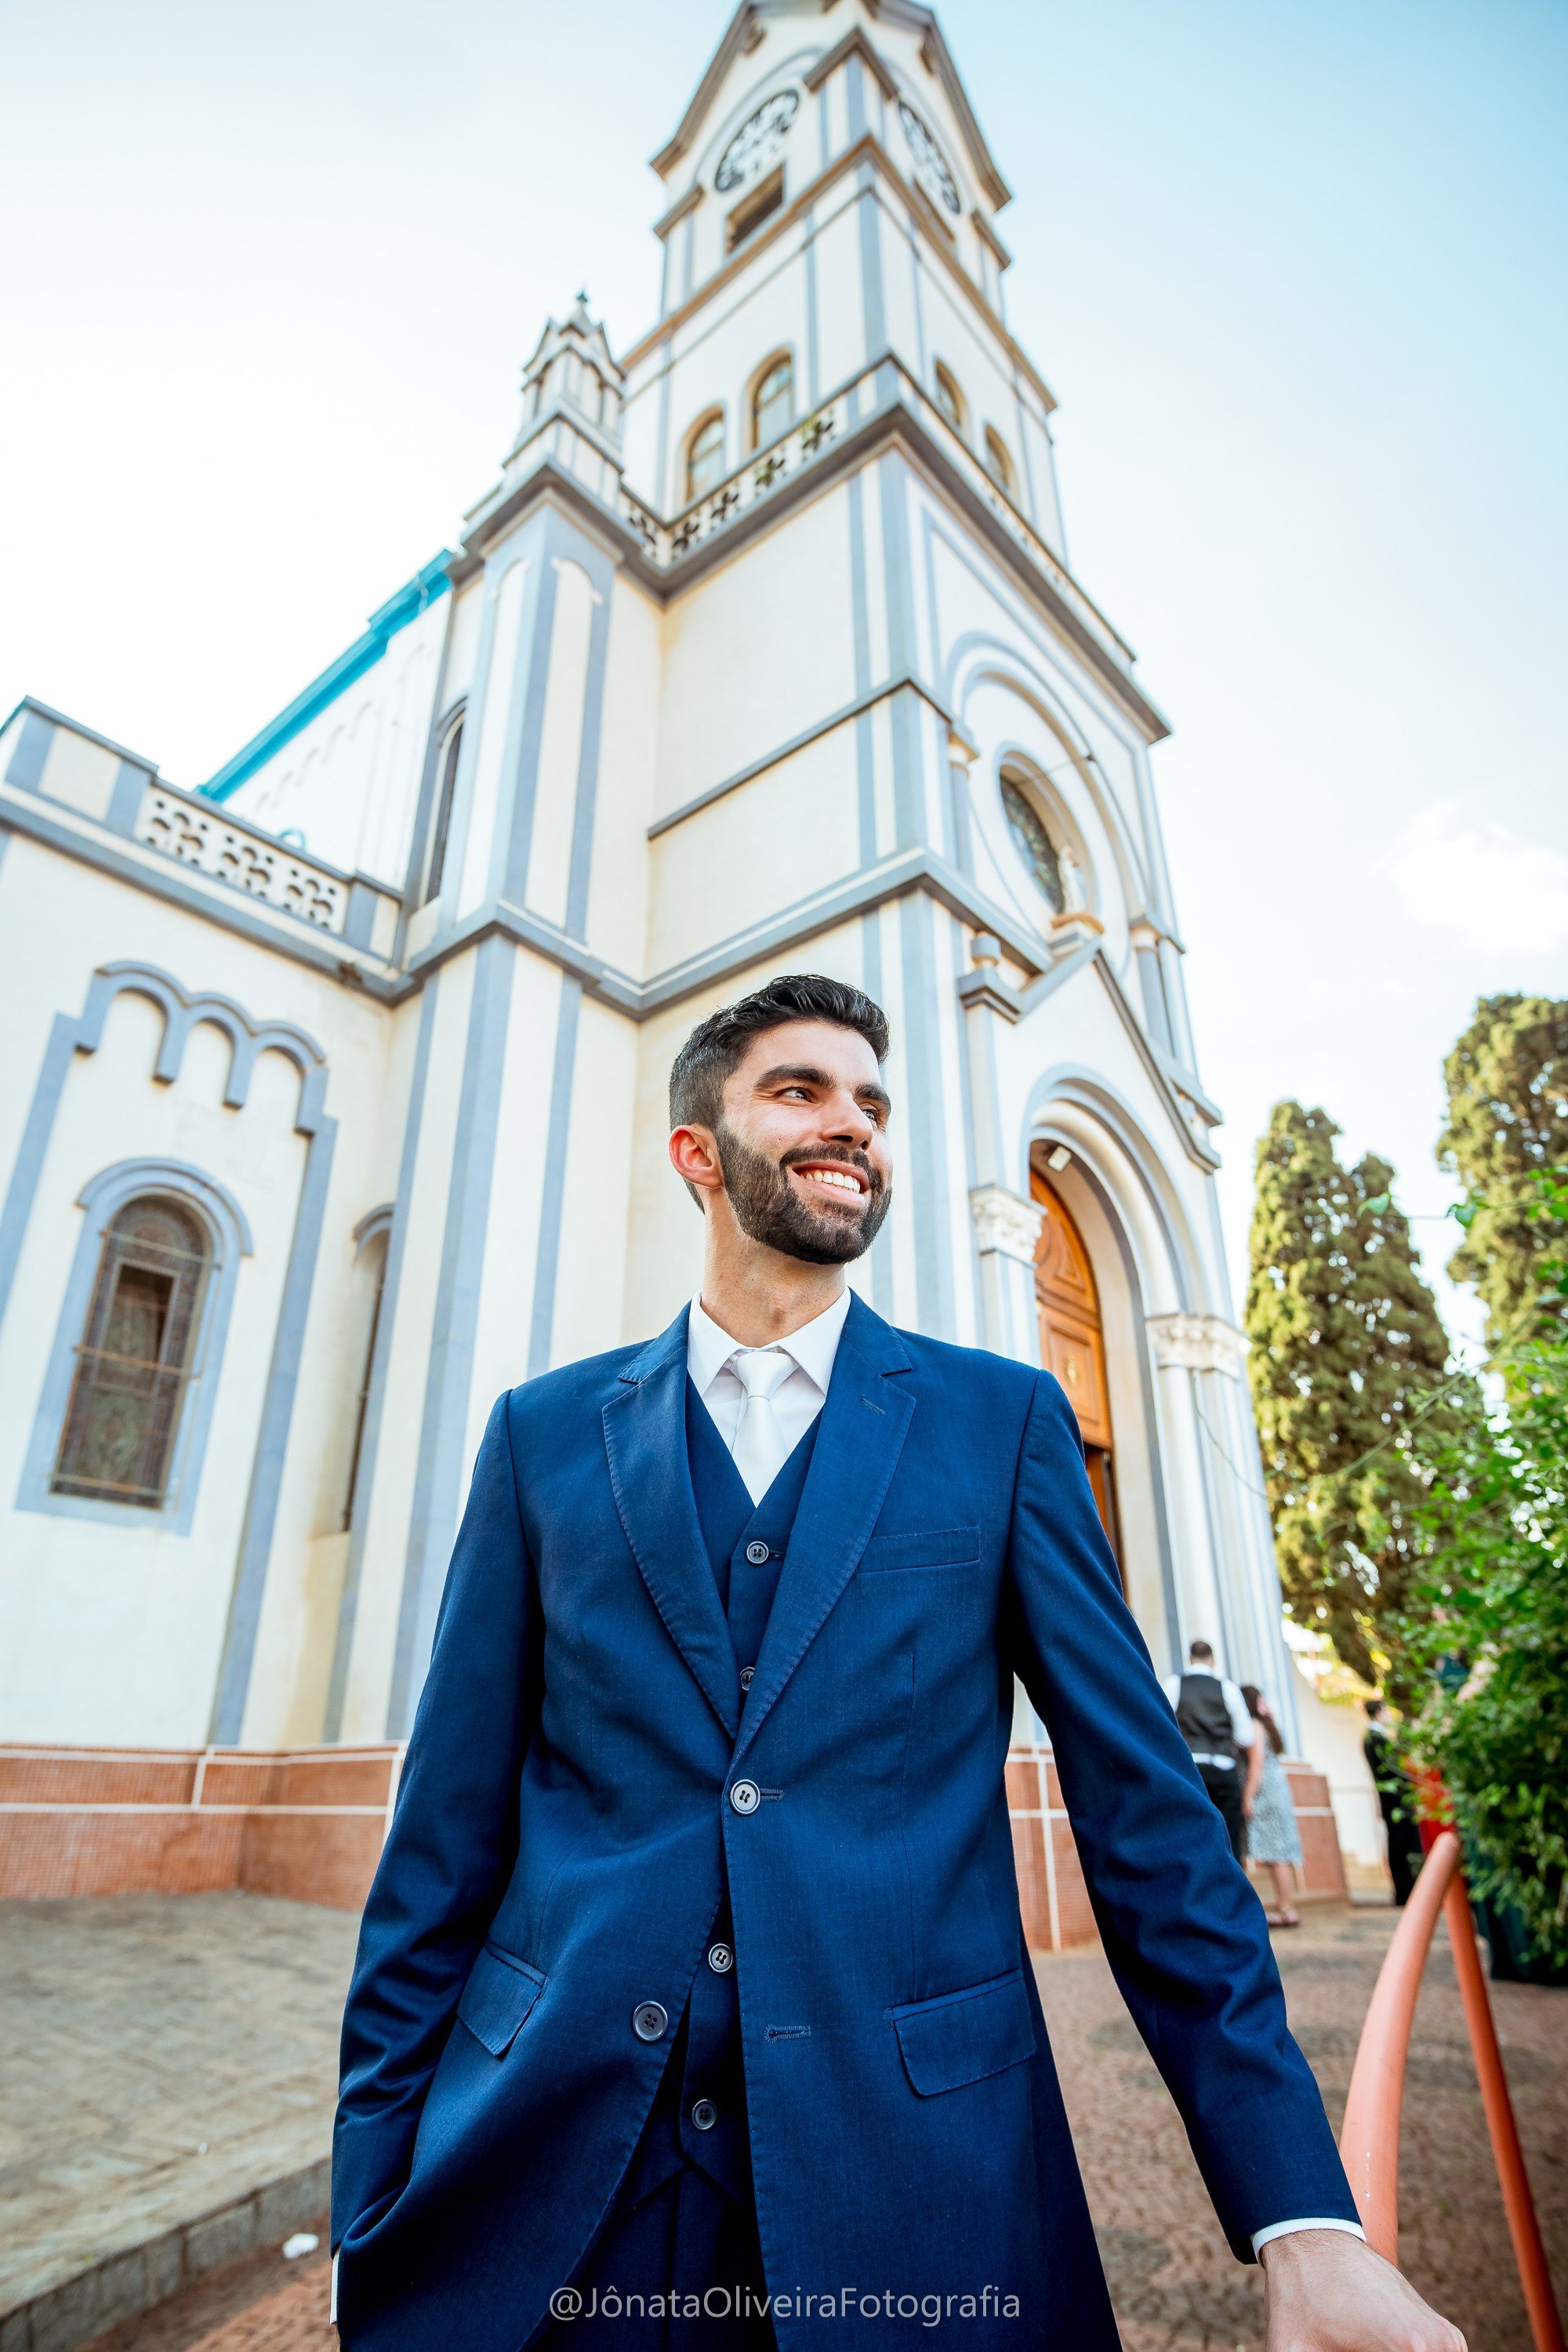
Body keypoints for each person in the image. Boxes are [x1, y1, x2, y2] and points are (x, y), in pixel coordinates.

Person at [332, 974, 1464, 2351]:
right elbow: (439, 1849)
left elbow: (1153, 1827)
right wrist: (366, 2204)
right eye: (799, 1090)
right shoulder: (543, 1437)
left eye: (871, 1102)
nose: (852, 1123)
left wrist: (1303, 2216)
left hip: (915, 2180)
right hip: (557, 2165)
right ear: (699, 1150)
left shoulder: (1003, 1424)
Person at [1162, 1639, 1261, 1865]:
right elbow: (1245, 1737)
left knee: (1192, 1833)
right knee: (1229, 1837)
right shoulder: (1228, 1688)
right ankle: (1233, 1894)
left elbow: (1164, 1724)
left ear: (1190, 1659)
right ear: (1213, 1660)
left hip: (1190, 1769)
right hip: (1224, 1769)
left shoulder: (1175, 1684)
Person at [1241, 1686, 1303, 1928]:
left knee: (1276, 1855)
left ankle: (1287, 1908)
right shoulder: (1269, 1725)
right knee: (1280, 1854)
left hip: (1266, 1791)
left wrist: (1247, 1796)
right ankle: (1286, 1907)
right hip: (1279, 1789)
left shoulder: (1255, 1727)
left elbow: (1256, 1765)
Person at [1364, 1698, 1425, 1907]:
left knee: (1398, 1846)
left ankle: (1405, 1891)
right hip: (1395, 1801)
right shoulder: (1375, 1739)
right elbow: (1392, 1770)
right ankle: (1408, 1891)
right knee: (1405, 1845)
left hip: (1391, 1800)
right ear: (1379, 1713)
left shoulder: (1374, 1738)